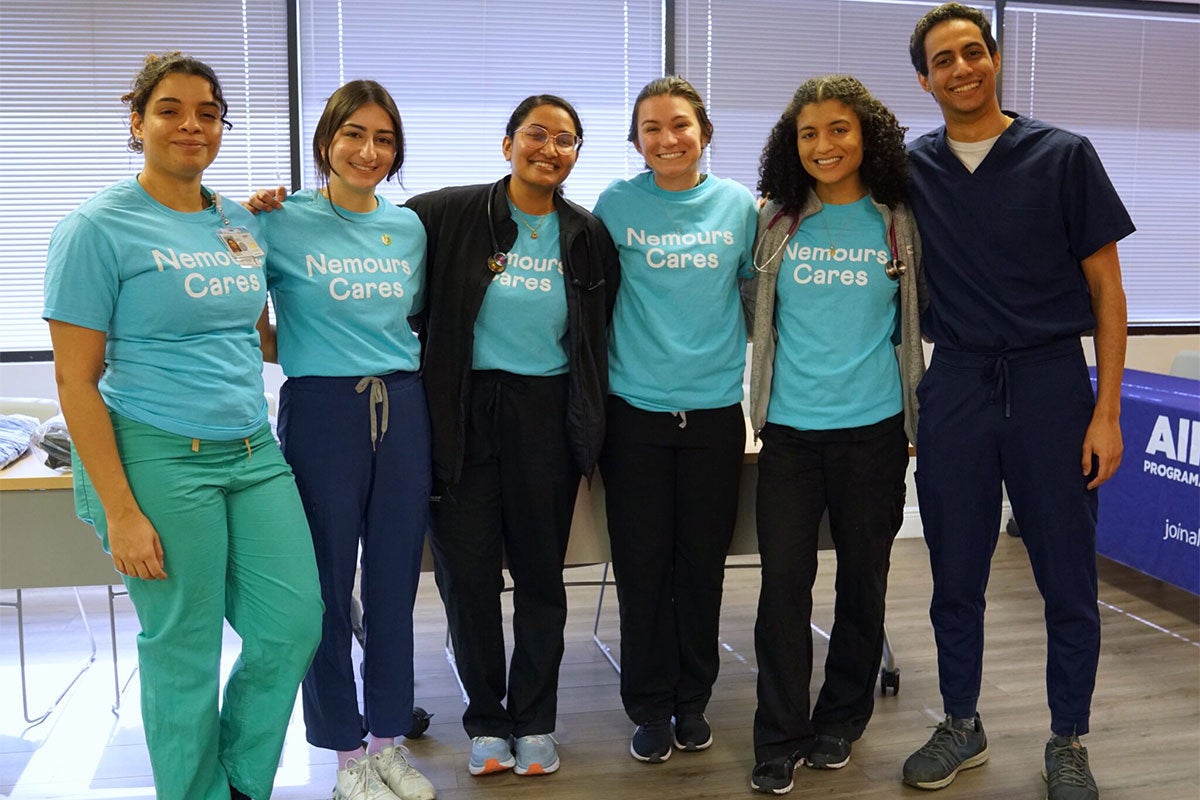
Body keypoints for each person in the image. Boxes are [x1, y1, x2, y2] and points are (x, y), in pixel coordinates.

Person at [42, 52, 323, 800]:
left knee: (293, 625)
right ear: (137, 122)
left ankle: (238, 782)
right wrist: (123, 510)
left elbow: (254, 335)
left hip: (253, 449)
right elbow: (75, 378)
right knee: (184, 647)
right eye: (170, 109)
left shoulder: (237, 220)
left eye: (207, 112)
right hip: (160, 454)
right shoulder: (96, 228)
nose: (191, 125)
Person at [900, 5, 1133, 799]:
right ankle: (962, 723)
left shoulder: (1064, 156)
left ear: (995, 59)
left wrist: (1106, 412)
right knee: (954, 573)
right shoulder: (910, 169)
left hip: (1051, 387)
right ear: (923, 78)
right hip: (958, 383)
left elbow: (1107, 288)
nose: (962, 68)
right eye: (944, 59)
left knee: (1067, 578)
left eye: (974, 52)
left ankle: (1068, 739)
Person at [405, 95, 619, 778]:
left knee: (539, 579)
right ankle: (487, 722)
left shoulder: (586, 234)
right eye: (536, 135)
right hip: (461, 412)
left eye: (565, 139)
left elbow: (597, 333)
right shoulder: (447, 213)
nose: (549, 149)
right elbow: (366, 234)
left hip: (547, 414)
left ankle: (536, 721)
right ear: (507, 144)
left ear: (576, 154)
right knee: (467, 579)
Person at [249, 80, 435, 800]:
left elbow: (410, 318)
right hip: (322, 410)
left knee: (394, 586)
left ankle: (389, 740)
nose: (368, 150)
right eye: (354, 134)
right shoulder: (278, 219)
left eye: (384, 139)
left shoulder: (408, 228)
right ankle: (344, 751)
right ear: (326, 140)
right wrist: (289, 343)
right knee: (322, 590)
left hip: (403, 407)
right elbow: (241, 309)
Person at [743, 74, 925, 795]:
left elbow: (916, 315)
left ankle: (841, 719)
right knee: (783, 589)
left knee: (863, 584)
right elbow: (752, 308)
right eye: (809, 133)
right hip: (790, 434)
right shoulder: (778, 222)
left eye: (839, 129)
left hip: (875, 433)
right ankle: (778, 734)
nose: (824, 145)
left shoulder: (898, 220)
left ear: (867, 136)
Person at [591, 76, 757, 764]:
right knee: (641, 569)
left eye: (680, 124)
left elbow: (756, 297)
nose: (668, 138)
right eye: (652, 128)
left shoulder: (739, 206)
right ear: (636, 142)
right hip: (633, 416)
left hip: (716, 414)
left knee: (701, 570)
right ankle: (650, 706)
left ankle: (693, 701)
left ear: (705, 132)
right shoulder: (614, 206)